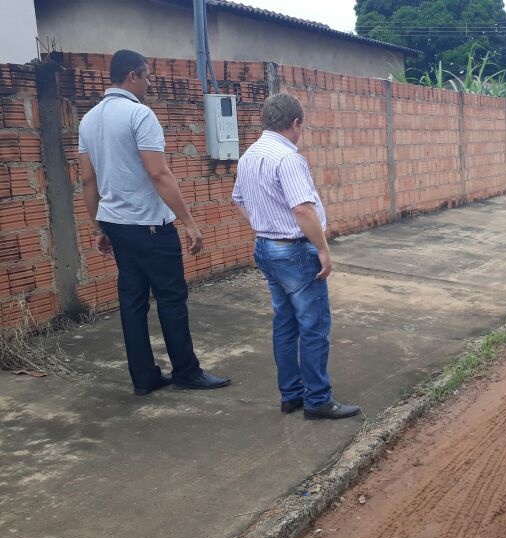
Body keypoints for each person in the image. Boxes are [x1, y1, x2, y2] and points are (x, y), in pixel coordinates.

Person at [78, 49, 230, 396]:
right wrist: (188, 221)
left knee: (132, 301)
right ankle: (186, 372)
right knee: (171, 299)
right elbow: (158, 172)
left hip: (116, 225)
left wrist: (98, 227)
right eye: (146, 76)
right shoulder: (139, 114)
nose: (148, 83)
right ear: (132, 75)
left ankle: (144, 378)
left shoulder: (89, 120)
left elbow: (88, 181)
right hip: (149, 226)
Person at [232, 93, 361, 420]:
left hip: (266, 246)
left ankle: (291, 394)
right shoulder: (288, 158)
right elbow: (302, 209)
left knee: (285, 323)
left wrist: (264, 225)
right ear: (295, 123)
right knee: (313, 325)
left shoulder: (249, 156)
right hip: (294, 250)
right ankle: (318, 399)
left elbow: (239, 199)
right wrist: (322, 249)